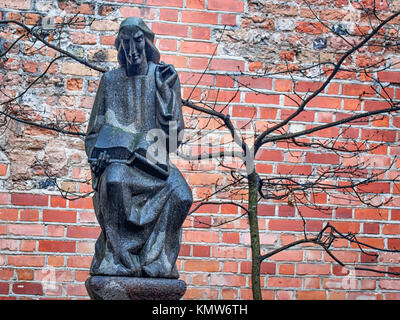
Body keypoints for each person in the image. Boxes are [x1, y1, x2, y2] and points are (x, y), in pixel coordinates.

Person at [85, 17, 192, 279]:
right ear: (120, 46)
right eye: (126, 43)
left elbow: (174, 139)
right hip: (118, 164)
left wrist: (166, 96)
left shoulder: (164, 77)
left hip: (153, 165)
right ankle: (121, 259)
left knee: (182, 194)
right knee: (114, 181)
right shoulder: (110, 81)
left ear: (147, 43)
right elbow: (93, 134)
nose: (132, 51)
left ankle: (157, 261)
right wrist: (98, 157)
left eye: (137, 42)